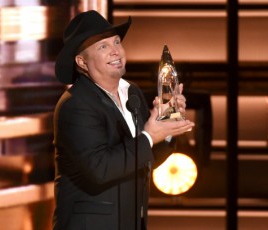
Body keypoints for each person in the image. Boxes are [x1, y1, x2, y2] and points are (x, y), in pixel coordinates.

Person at [52, 10, 195, 230]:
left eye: (116, 42)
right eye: (103, 46)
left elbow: (144, 159)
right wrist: (149, 136)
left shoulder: (132, 93)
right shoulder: (75, 104)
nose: (115, 51)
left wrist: (165, 128)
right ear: (81, 62)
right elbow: (100, 169)